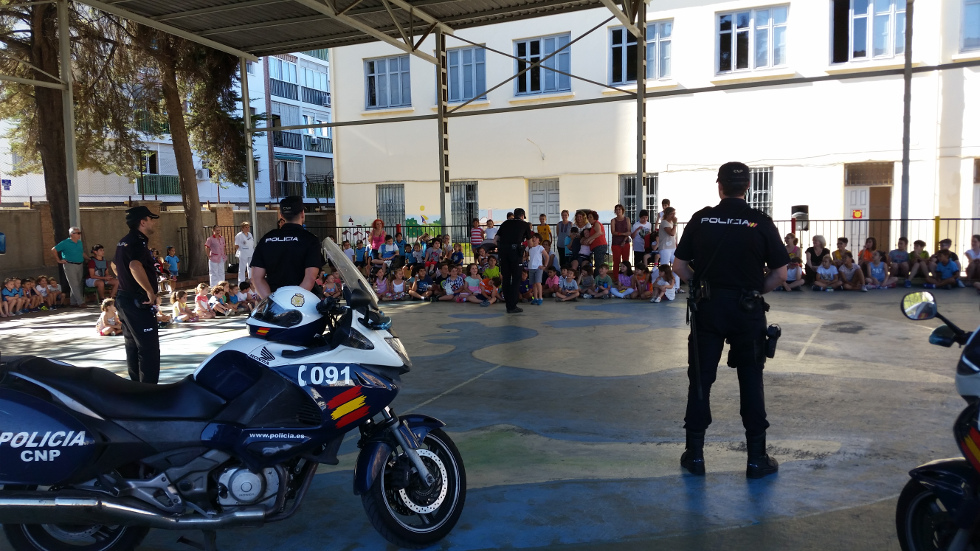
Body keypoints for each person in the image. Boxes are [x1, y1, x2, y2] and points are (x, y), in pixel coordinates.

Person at [673, 162, 789, 479]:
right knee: (751, 380)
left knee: (700, 381)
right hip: (747, 311)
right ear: (747, 187)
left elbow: (679, 267)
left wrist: (703, 285)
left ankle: (695, 456)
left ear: (719, 186)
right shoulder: (761, 222)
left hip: (708, 310)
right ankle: (756, 459)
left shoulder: (701, 219)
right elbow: (780, 274)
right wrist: (753, 291)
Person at [111, 205, 162, 383]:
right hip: (136, 301)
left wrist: (126, 281)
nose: (153, 222)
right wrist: (149, 291)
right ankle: (149, 390)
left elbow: (114, 265)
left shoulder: (123, 241)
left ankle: (135, 387)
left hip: (124, 299)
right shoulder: (138, 241)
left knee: (132, 346)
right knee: (148, 349)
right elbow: (134, 265)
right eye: (151, 219)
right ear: (143, 222)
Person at [250, 196, 324, 299]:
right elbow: (310, 277)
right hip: (303, 303)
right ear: (302, 213)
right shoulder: (310, 239)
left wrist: (271, 302)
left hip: (275, 300)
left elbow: (256, 278)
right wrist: (294, 301)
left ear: (281, 215)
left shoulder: (267, 238)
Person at [496, 208, 533, 313]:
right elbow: (530, 244)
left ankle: (508, 304)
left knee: (506, 278)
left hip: (504, 253)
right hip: (515, 253)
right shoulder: (524, 225)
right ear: (522, 216)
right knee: (516, 278)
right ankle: (512, 305)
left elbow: (495, 240)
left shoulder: (505, 223)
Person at [52, 226, 86, 307]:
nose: (79, 234)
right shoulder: (65, 243)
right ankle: (81, 302)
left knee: (78, 284)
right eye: (78, 233)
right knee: (74, 284)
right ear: (72, 234)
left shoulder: (79, 242)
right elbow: (54, 249)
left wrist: (89, 258)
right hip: (70, 265)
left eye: (80, 233)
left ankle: (73, 302)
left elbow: (82, 253)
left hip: (80, 264)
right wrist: (58, 260)